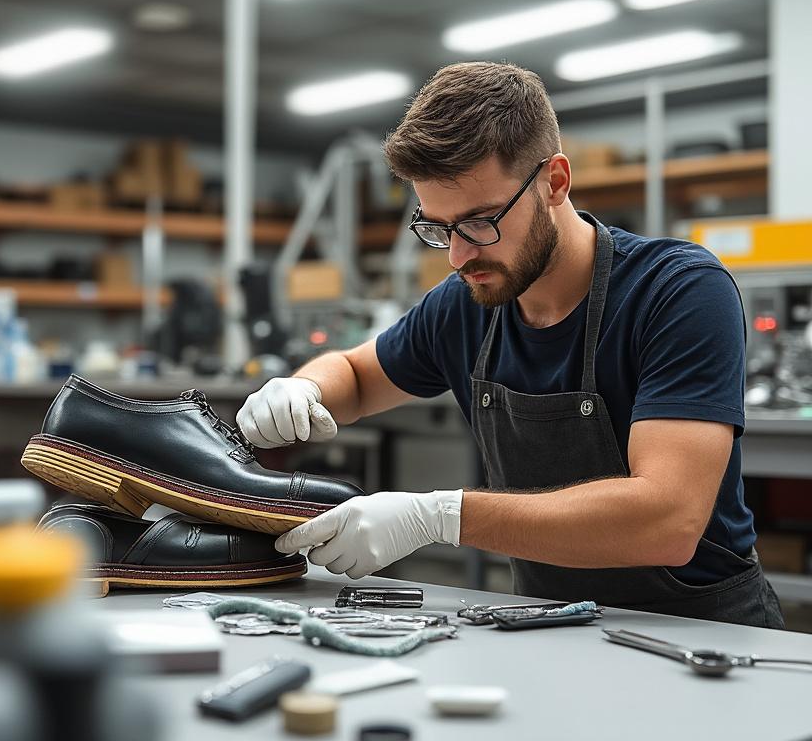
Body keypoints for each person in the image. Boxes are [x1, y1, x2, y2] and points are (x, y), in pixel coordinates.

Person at [236, 61, 784, 628]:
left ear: (555, 182)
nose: (458, 256)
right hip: (550, 623)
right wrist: (305, 388)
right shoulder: (464, 303)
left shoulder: (677, 291)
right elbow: (354, 374)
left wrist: (441, 516)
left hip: (699, 631)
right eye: (438, 228)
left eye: (479, 222)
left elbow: (665, 522)